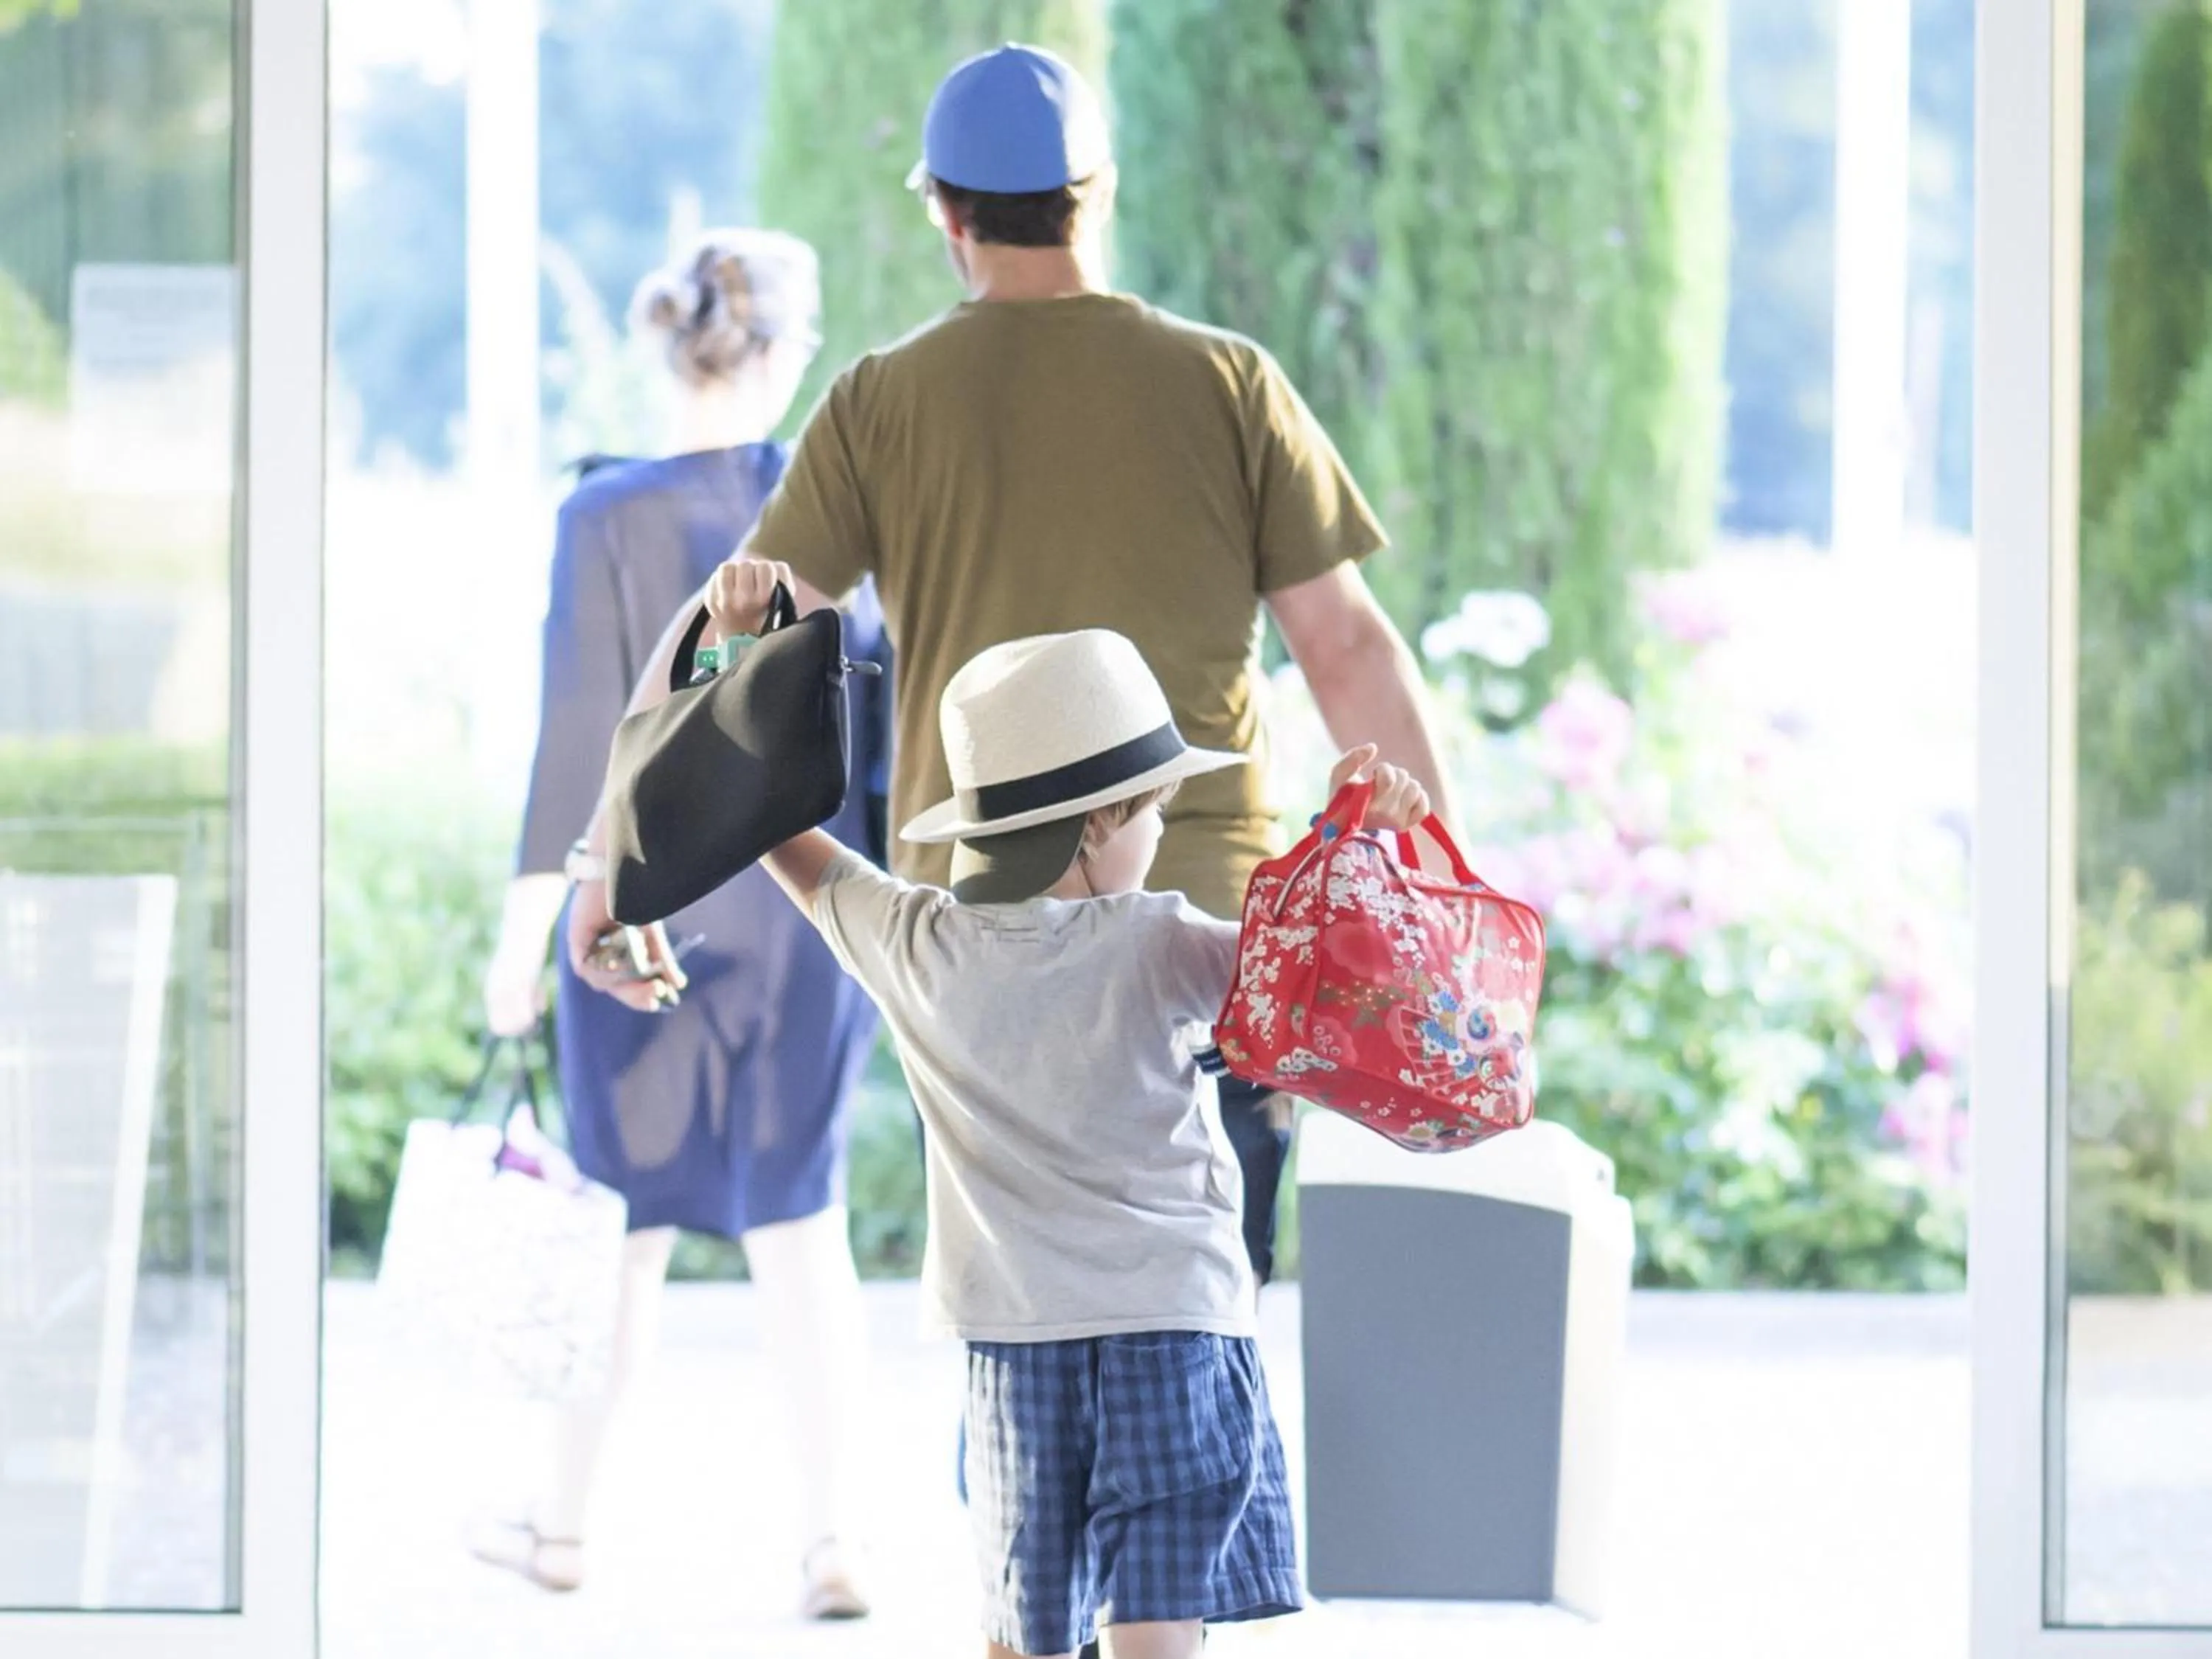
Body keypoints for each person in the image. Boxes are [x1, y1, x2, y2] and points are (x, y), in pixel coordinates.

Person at [574, 558, 1439, 1658]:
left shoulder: (912, 942)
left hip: (1015, 1343)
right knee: (1159, 1631)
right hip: (1173, 1323)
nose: (1161, 833)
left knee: (1026, 1628)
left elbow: (766, 827)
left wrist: (739, 649)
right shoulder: (1158, 938)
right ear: (1095, 825)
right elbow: (1319, 974)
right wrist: (1363, 832)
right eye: (1154, 809)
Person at [724, 43, 1453, 1289]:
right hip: (1211, 929)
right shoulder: (1230, 383)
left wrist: (609, 865)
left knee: (1008, 1303)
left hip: (982, 949)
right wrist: (1434, 896)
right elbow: (1347, 648)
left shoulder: (878, 403)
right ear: (1098, 193)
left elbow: (740, 642)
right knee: (1207, 1301)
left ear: (948, 216)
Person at [475, 230, 887, 1618]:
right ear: (780, 353)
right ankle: (835, 1543)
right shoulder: (838, 516)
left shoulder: (601, 517)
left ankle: (566, 1526)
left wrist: (522, 941)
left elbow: (578, 743)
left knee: (623, 1235)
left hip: (634, 916)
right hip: (809, 912)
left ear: (671, 345)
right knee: (802, 1226)